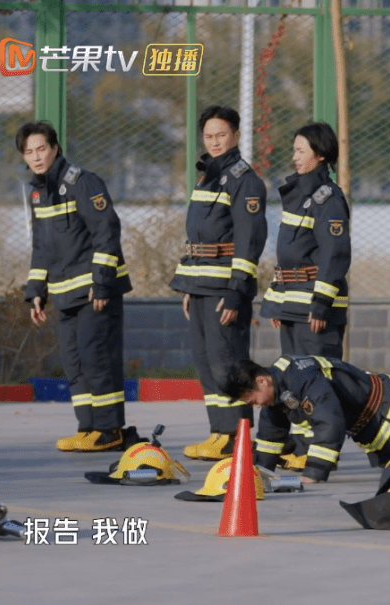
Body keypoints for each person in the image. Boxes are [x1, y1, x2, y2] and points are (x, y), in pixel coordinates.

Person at [18, 121, 135, 452]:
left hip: (94, 292)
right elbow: (40, 247)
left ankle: (110, 429)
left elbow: (107, 232)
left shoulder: (82, 183)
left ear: (55, 148)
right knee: (74, 362)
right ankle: (89, 427)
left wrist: (101, 283)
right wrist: (36, 291)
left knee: (96, 358)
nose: (36, 156)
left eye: (42, 148)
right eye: (29, 152)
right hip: (64, 293)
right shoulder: (39, 193)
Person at [169, 105, 267, 461]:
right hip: (200, 283)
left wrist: (236, 291)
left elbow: (249, 240)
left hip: (225, 287)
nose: (214, 142)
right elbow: (197, 236)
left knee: (228, 361)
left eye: (221, 135)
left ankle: (236, 434)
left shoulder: (245, 180)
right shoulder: (206, 177)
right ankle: (218, 431)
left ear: (237, 136)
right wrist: (188, 284)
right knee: (206, 361)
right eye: (208, 136)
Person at [222, 356, 390, 484]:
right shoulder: (278, 392)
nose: (254, 405)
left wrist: (313, 474)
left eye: (251, 398)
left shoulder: (300, 378)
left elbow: (329, 422)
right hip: (378, 429)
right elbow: (270, 435)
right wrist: (259, 476)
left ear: (262, 380)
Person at [260, 122, 350, 359]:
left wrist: (320, 304)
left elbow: (335, 254)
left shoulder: (328, 200)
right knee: (294, 380)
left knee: (319, 381)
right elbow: (291, 255)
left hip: (314, 311)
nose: (294, 157)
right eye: (294, 150)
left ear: (320, 154)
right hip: (293, 304)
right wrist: (278, 300)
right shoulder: (298, 197)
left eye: (301, 151)